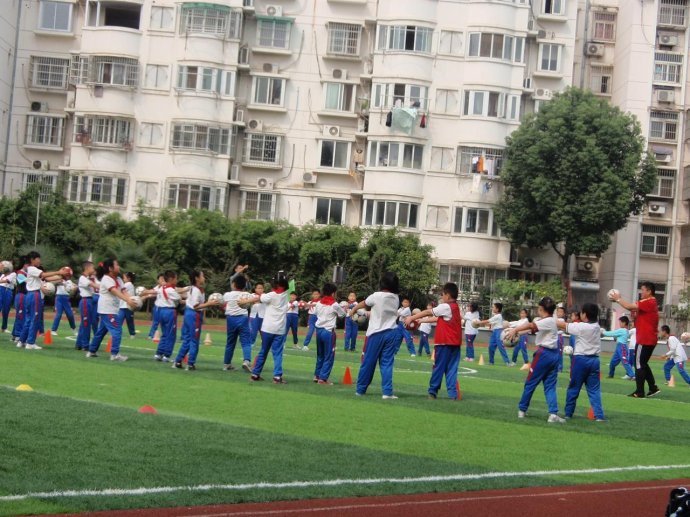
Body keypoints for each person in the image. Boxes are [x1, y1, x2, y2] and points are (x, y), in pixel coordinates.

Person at [506, 297, 565, 423]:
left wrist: (515, 330)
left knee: (531, 382)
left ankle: (522, 410)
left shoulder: (547, 320)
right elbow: (532, 329)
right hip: (554, 355)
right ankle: (552, 414)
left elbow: (531, 325)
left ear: (541, 309)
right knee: (550, 386)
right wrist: (518, 333)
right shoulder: (550, 321)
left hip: (544, 354)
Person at [349, 272, 401, 399]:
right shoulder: (396, 298)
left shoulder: (376, 295)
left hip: (376, 333)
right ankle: (387, 393)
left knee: (368, 362)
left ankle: (360, 389)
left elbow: (365, 303)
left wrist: (354, 309)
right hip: (391, 332)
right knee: (387, 364)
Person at [406, 283, 462, 400]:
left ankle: (433, 392)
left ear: (447, 295)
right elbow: (437, 318)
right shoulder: (455, 307)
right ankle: (453, 395)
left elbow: (428, 312)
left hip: (444, 343)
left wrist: (412, 317)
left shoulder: (446, 306)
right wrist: (422, 321)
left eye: (442, 294)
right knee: (451, 369)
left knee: (438, 367)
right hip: (455, 344)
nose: (442, 297)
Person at [611, 282, 661, 398]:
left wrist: (618, 299)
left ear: (649, 291)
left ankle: (639, 391)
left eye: (643, 290)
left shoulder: (648, 301)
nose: (641, 292)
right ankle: (653, 387)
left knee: (638, 363)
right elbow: (637, 315)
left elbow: (629, 306)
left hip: (645, 339)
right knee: (642, 363)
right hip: (649, 338)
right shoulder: (651, 302)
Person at [558, 303, 605, 421]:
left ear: (584, 315)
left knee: (574, 388)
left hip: (580, 360)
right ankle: (599, 416)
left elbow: (561, 324)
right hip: (594, 360)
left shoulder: (581, 327)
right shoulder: (597, 326)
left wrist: (548, 319)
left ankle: (568, 414)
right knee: (594, 390)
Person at [86, 259, 138, 361]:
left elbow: (123, 291)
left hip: (112, 309)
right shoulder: (106, 279)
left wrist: (131, 299)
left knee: (101, 331)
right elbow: (115, 292)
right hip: (107, 310)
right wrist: (128, 300)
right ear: (110, 268)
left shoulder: (118, 279)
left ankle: (91, 351)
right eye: (117, 265)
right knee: (117, 330)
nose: (119, 267)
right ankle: (115, 354)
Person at [17, 251, 67, 350]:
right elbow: (44, 275)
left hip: (30, 295)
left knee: (28, 320)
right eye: (38, 259)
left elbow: (47, 278)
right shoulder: (31, 268)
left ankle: (21, 341)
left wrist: (61, 276)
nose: (39, 261)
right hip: (34, 295)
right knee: (35, 319)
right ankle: (30, 342)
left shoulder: (32, 270)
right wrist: (59, 272)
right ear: (32, 260)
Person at [173, 270, 220, 370]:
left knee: (187, 340)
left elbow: (191, 301)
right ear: (197, 278)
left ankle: (178, 361)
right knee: (194, 340)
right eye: (202, 276)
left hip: (189, 314)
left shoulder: (193, 288)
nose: (204, 278)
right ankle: (190, 364)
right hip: (194, 315)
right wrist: (209, 304)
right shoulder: (196, 290)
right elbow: (196, 306)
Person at [251, 276, 290, 383]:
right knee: (277, 353)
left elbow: (260, 297)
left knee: (263, 351)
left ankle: (255, 374)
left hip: (267, 328)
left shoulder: (271, 295)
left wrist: (249, 298)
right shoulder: (285, 295)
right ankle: (277, 377)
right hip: (280, 329)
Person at [223, 274, 258, 372]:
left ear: (233, 284)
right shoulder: (246, 294)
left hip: (230, 320)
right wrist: (250, 300)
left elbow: (220, 301)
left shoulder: (228, 294)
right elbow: (256, 298)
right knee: (246, 341)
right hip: (243, 319)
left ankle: (226, 364)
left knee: (230, 342)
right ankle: (246, 361)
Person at [313, 283, 346, 384]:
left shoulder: (319, 303)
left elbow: (315, 313)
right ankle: (323, 379)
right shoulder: (335, 304)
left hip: (318, 330)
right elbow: (342, 315)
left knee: (320, 354)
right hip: (328, 331)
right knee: (329, 355)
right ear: (333, 293)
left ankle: (317, 375)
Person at [153, 270, 182, 362]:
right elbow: (178, 298)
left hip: (160, 311)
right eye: (175, 278)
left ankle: (159, 353)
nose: (176, 280)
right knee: (171, 334)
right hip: (169, 311)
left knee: (164, 333)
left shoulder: (162, 288)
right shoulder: (171, 290)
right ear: (171, 279)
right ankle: (167, 355)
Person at [603, 316, 634, 380]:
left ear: (624, 323)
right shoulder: (625, 331)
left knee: (625, 362)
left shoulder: (622, 330)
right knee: (612, 362)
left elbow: (610, 333)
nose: (619, 324)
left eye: (620, 322)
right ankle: (611, 375)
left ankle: (633, 375)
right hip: (619, 347)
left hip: (622, 347)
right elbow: (616, 336)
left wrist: (603, 332)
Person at [76, 262, 98, 351]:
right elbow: (93, 285)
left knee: (84, 323)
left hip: (89, 300)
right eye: (92, 268)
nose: (93, 269)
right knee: (86, 324)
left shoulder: (87, 278)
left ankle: (79, 343)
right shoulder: (82, 278)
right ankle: (85, 345)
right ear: (87, 268)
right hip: (85, 301)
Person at [11, 259, 28, 343]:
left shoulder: (25, 273)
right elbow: (26, 281)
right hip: (21, 296)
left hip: (24, 296)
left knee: (20, 316)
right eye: (28, 265)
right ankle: (18, 335)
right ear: (24, 265)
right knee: (21, 316)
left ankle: (14, 335)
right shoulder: (20, 273)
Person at [147, 273, 165, 340]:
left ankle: (165, 336)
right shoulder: (156, 288)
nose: (162, 280)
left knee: (164, 322)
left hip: (165, 308)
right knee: (155, 322)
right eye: (161, 279)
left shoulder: (166, 287)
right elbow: (151, 293)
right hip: (157, 307)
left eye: (163, 278)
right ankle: (151, 335)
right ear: (158, 280)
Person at [0, 262, 16, 333]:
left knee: (6, 310)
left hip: (7, 291)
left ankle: (4, 327)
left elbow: (7, 281)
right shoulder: (2, 275)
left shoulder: (13, 274)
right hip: (1, 290)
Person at [556, 305, 567, 372]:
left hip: (559, 337)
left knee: (559, 352)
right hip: (554, 337)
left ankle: (560, 368)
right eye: (558, 311)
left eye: (561, 312)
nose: (559, 313)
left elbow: (560, 327)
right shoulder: (556, 319)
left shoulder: (562, 320)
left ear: (563, 314)